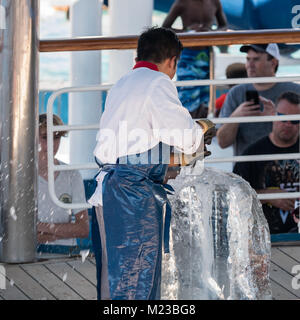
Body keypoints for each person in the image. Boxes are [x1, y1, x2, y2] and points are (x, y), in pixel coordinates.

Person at [88, 27, 215, 300]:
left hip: (105, 191)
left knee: (112, 285)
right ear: (172, 61)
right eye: (175, 67)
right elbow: (184, 136)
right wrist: (202, 129)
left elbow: (132, 142)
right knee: (136, 283)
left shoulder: (122, 83)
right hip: (131, 196)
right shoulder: (158, 83)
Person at [233, 92, 300, 234]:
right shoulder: (251, 155)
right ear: (273, 115)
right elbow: (234, 198)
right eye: (283, 118)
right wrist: (267, 196)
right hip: (264, 239)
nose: (288, 124)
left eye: (294, 120)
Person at [217, 43, 300, 156]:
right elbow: (222, 143)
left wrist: (278, 118)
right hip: (247, 168)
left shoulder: (296, 91)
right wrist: (236, 116)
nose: (249, 65)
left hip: (288, 168)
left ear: (273, 63)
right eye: (248, 59)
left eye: (256, 59)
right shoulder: (236, 93)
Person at [162, 0, 227, 118]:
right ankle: (185, 130)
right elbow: (164, 28)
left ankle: (200, 132)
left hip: (207, 55)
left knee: (205, 98)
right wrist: (188, 32)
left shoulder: (214, 2)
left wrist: (211, 32)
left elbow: (224, 26)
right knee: (187, 96)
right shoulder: (182, 3)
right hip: (187, 55)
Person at [38, 114, 89, 248]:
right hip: (30, 253)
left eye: (56, 137)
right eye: (45, 137)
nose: (52, 143)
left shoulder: (72, 174)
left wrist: (40, 227)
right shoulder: (22, 176)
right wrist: (63, 232)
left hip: (66, 252)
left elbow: (83, 229)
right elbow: (15, 230)